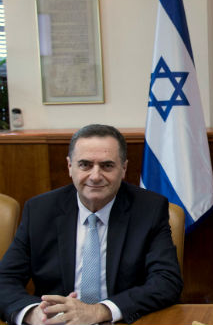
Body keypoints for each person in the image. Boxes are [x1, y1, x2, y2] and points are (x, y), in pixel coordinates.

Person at [0, 124, 183, 325]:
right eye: (85, 165)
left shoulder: (149, 209)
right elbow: (4, 280)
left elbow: (166, 281)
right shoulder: (40, 210)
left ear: (123, 168)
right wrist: (33, 313)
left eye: (107, 165)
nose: (95, 176)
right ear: (70, 167)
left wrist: (100, 311)